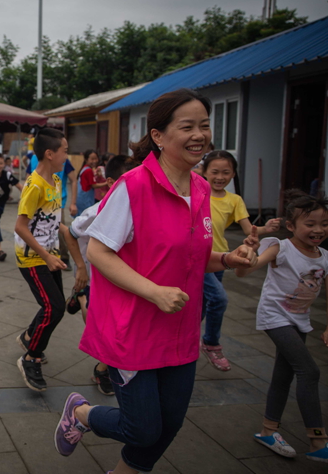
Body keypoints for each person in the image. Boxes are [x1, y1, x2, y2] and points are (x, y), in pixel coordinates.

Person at [56, 88, 256, 474]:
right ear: (159, 136)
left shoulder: (200, 188)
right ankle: (81, 413)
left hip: (180, 329)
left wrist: (228, 259)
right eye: (187, 126)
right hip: (132, 328)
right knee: (143, 428)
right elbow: (99, 252)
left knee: (171, 423)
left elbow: (192, 258)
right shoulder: (133, 186)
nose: (200, 134)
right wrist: (153, 291)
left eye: (204, 125)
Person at [235, 190, 328, 463]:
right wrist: (249, 252)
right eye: (310, 224)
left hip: (300, 319)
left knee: (283, 375)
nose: (318, 230)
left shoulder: (323, 256)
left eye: (324, 224)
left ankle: (268, 430)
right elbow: (243, 271)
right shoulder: (280, 247)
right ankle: (318, 439)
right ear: (291, 226)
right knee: (309, 371)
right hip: (275, 317)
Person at [14, 128, 84, 391]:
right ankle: (30, 358)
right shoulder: (34, 186)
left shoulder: (56, 180)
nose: (68, 156)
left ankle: (30, 336)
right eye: (65, 151)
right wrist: (45, 256)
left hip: (50, 254)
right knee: (53, 307)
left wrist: (79, 259)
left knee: (53, 308)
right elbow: (20, 227)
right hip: (32, 258)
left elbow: (58, 224)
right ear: (50, 153)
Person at [200, 150, 280, 371]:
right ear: (204, 172)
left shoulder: (234, 200)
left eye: (226, 172)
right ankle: (211, 343)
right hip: (199, 259)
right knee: (218, 300)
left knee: (205, 306)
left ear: (233, 174)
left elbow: (249, 229)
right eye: (214, 171)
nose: (220, 176)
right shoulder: (197, 193)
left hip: (221, 259)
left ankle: (179, 339)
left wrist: (265, 229)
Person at [66, 155, 138, 396]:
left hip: (128, 283)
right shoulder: (98, 211)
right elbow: (70, 233)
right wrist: (80, 267)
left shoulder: (145, 210)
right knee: (107, 329)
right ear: (111, 183)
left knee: (120, 331)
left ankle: (106, 366)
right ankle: (103, 369)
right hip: (99, 281)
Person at [75, 149, 108, 215]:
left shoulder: (85, 168)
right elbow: (94, 185)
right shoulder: (88, 170)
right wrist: (107, 183)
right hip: (86, 199)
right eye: (92, 159)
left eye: (96, 158)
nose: (95, 161)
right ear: (86, 159)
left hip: (81, 197)